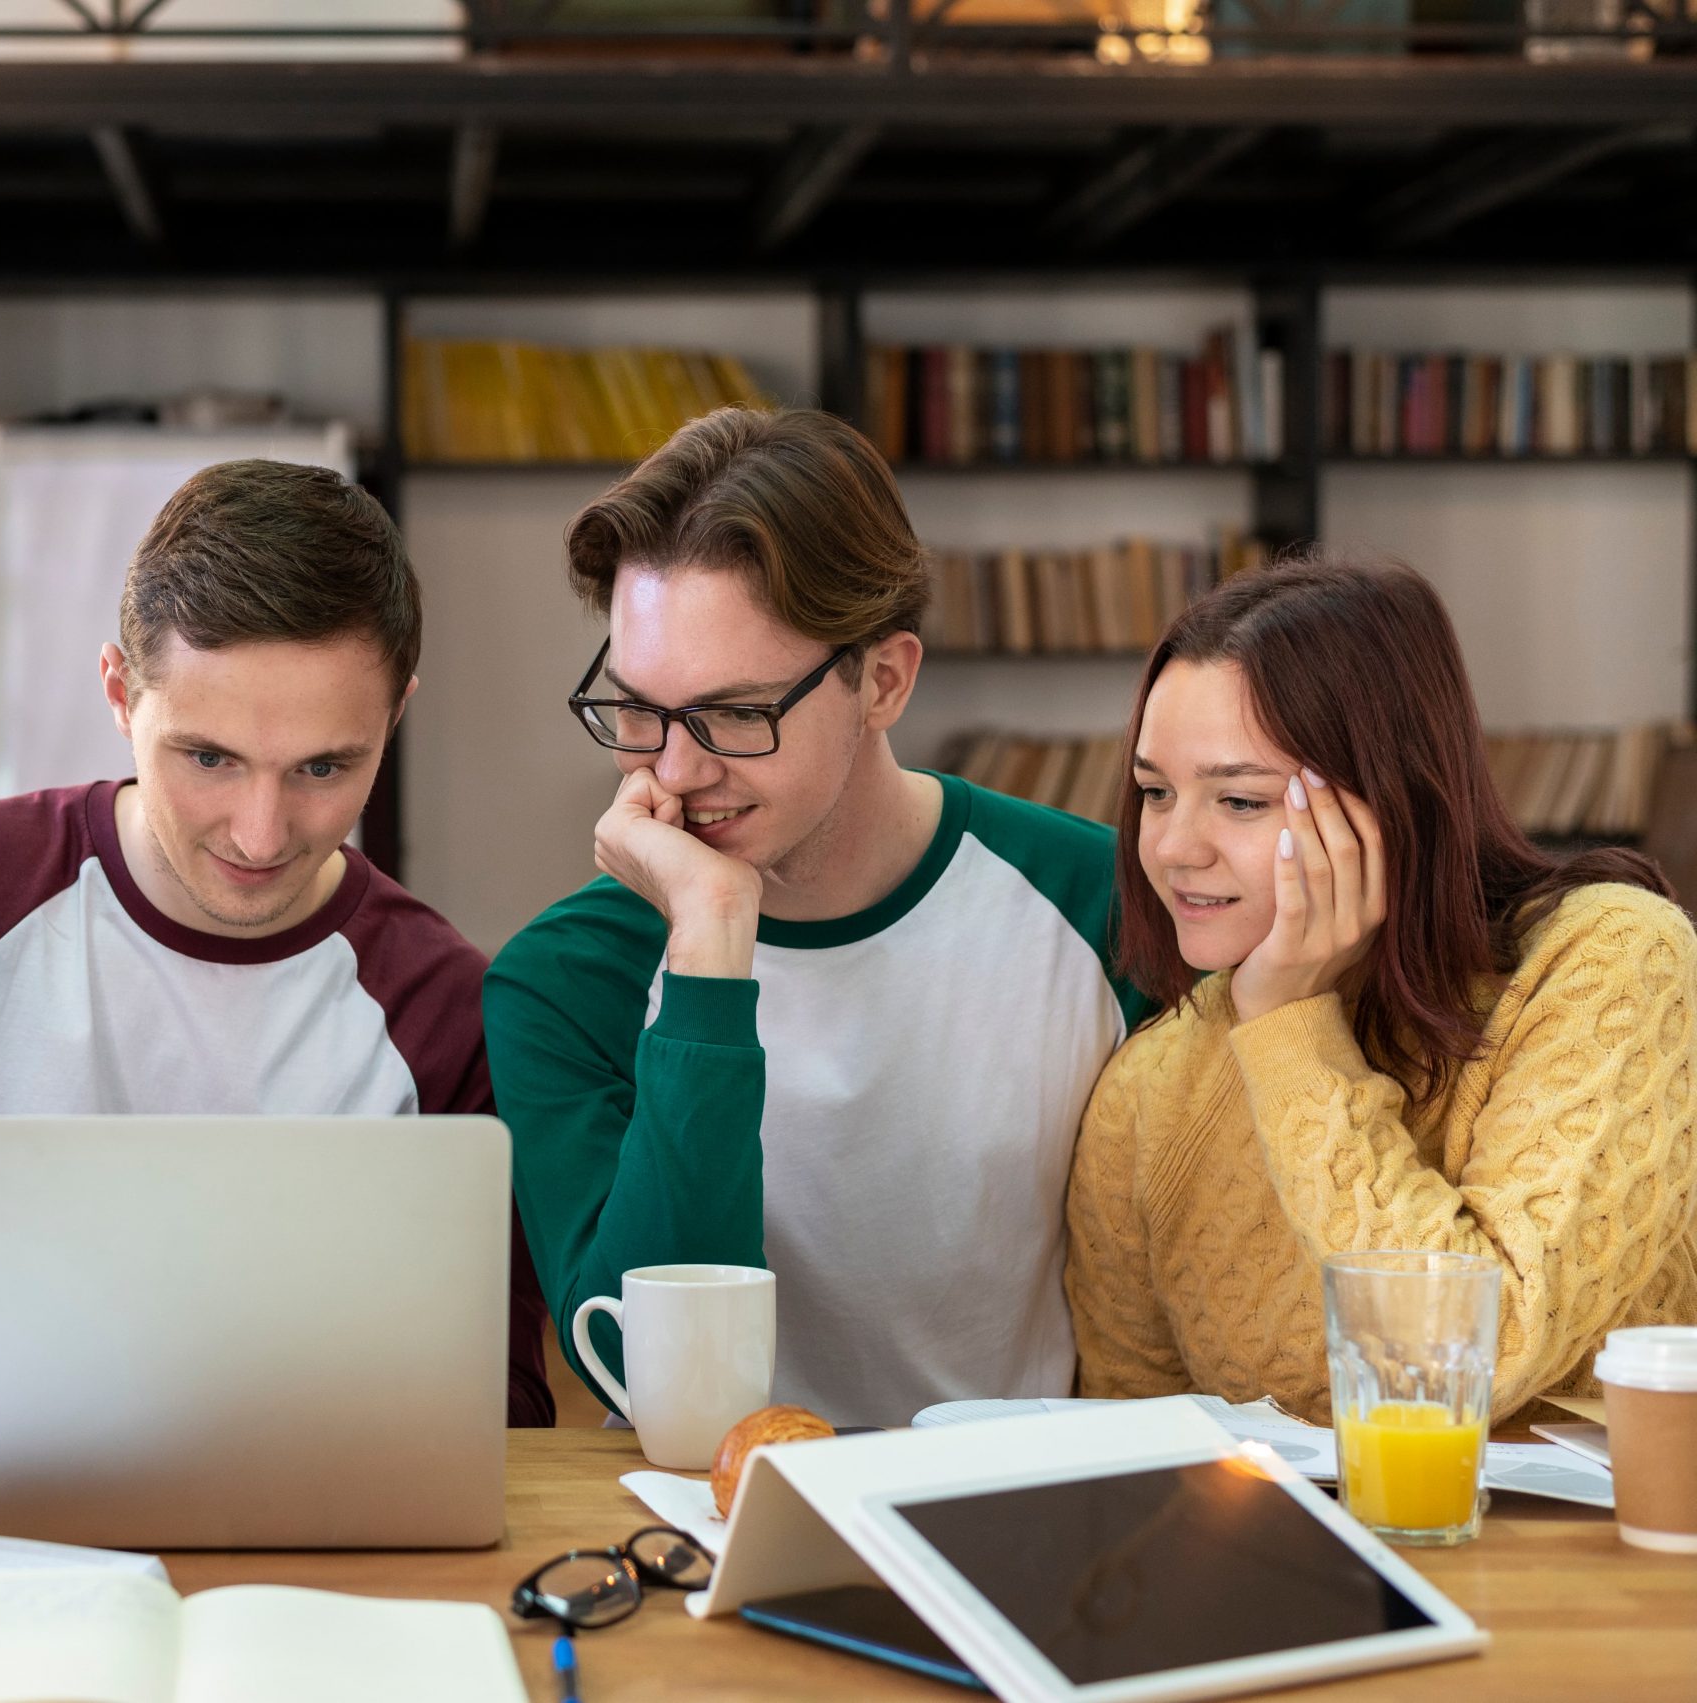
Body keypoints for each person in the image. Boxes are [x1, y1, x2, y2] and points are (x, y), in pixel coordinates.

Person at [0, 459, 554, 1426]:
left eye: (323, 766)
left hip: (322, 1538)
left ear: (393, 716)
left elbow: (501, 1403)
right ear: (118, 692)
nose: (260, 834)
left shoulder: (441, 999)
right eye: (209, 757)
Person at [486, 408, 1142, 1431]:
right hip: (693, 1535)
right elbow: (650, 1384)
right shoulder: (561, 980)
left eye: (738, 713)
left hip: (1018, 1523)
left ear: (882, 679)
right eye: (639, 709)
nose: (674, 769)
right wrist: (708, 941)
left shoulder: (1099, 904)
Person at [1067, 552, 1697, 1422]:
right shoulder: (1146, 1092)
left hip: (1570, 1560)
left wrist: (1291, 1027)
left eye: (1240, 801)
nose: (1172, 846)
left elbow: (1479, 1356)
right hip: (1282, 1559)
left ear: (1388, 798)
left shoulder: (1609, 962)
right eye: (1154, 792)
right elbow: (1131, 1451)